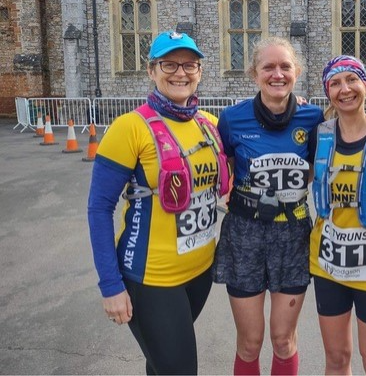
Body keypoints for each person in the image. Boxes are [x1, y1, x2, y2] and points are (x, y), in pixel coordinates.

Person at [87, 31, 227, 374]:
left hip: (200, 271)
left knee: (162, 364)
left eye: (190, 65)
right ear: (152, 71)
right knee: (179, 369)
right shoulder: (129, 128)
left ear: (200, 71)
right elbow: (99, 208)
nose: (181, 73)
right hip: (151, 278)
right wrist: (110, 285)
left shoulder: (210, 125)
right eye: (169, 64)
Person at [212, 36, 324, 375]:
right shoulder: (232, 119)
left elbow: (318, 168)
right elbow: (224, 167)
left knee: (282, 338)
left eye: (285, 66)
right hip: (245, 234)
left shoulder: (313, 118)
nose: (278, 74)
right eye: (268, 67)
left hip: (292, 236)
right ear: (254, 74)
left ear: (297, 72)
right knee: (249, 341)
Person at [309, 55, 366, 375]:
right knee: (337, 359)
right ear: (327, 91)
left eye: (352, 80)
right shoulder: (319, 134)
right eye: (335, 83)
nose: (344, 89)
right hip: (328, 263)